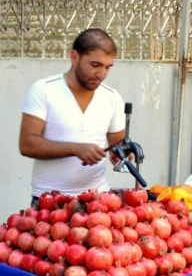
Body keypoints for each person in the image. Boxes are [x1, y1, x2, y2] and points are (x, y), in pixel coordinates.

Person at [19, 28, 127, 206]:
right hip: (49, 202)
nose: (102, 74)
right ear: (75, 58)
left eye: (108, 67)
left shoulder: (112, 97)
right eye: (95, 65)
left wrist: (121, 153)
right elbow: (27, 144)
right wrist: (75, 149)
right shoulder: (44, 90)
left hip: (97, 200)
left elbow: (117, 145)